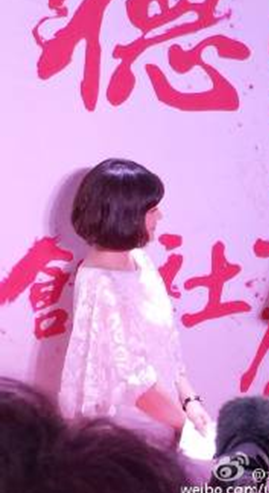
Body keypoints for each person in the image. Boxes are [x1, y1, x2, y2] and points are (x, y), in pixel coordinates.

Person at [59, 158, 211, 448]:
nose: (160, 216)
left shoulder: (139, 260)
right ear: (124, 215)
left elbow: (167, 346)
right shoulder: (100, 286)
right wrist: (186, 426)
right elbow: (134, 383)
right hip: (130, 436)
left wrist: (190, 400)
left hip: (167, 421)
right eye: (152, 210)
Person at [0, 376, 200, 493]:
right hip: (136, 429)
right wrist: (184, 424)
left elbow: (172, 363)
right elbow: (135, 379)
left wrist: (191, 403)